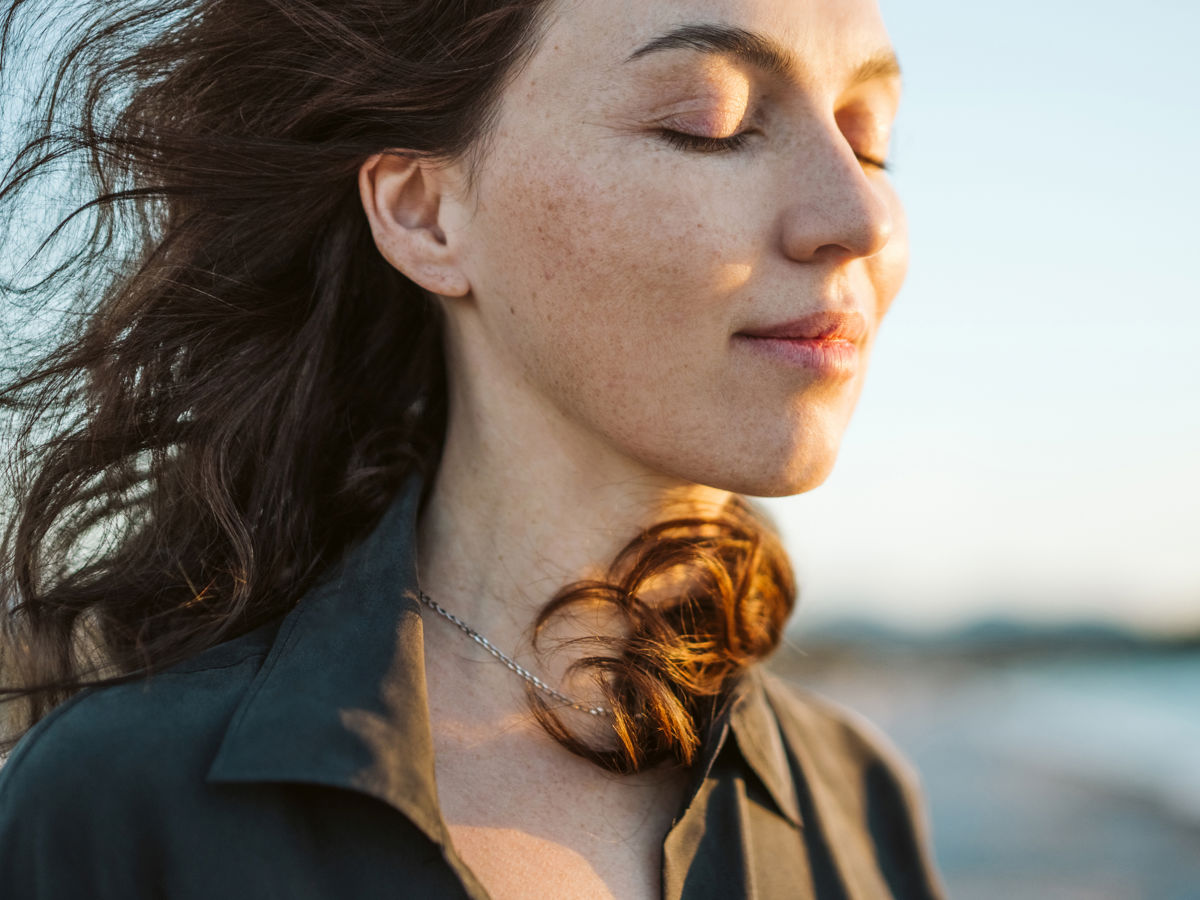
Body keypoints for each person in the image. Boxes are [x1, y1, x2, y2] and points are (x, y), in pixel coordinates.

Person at [0, 0, 946, 897]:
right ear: (424, 214)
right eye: (712, 124)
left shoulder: (858, 805)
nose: (859, 217)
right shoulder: (120, 807)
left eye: (867, 139)